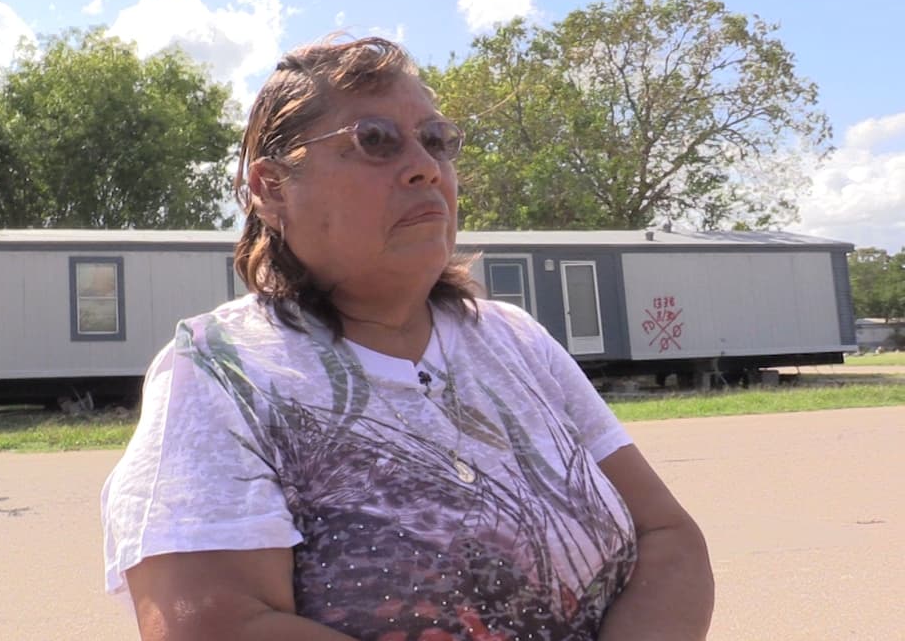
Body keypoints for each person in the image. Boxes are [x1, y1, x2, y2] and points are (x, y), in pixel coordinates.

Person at [101, 36, 713, 641]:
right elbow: (214, 622)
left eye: (437, 140)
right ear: (271, 188)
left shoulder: (514, 339)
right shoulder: (220, 370)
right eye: (375, 140)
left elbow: (668, 537)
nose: (425, 165)